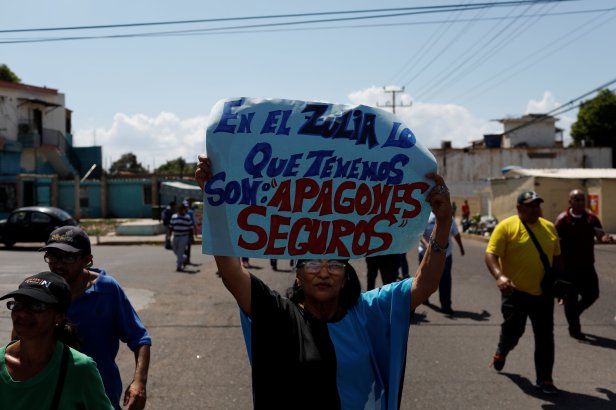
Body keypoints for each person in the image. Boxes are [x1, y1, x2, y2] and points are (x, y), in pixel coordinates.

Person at [196, 154, 452, 409]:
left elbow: (424, 284)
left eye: (334, 265)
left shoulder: (369, 312)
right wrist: (214, 200)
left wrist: (442, 222)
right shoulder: (280, 315)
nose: (324, 272)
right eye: (313, 264)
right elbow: (231, 273)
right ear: (297, 275)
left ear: (344, 278)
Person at [40, 226, 152, 410]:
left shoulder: (107, 290)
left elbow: (140, 338)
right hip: (51, 396)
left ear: (87, 260)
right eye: (52, 256)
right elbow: (18, 342)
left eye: (68, 257)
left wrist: (139, 382)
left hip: (100, 395)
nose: (58, 264)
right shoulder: (41, 290)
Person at [484, 191, 562, 395]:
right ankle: (502, 350)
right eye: (530, 205)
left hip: (543, 294)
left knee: (545, 336)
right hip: (514, 293)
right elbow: (490, 254)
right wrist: (499, 276)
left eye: (537, 204)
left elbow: (557, 259)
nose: (536, 208)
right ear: (519, 208)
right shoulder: (507, 227)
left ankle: (545, 379)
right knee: (514, 331)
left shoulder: (549, 228)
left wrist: (561, 286)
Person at [1, 271, 113, 409]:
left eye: (37, 306)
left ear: (59, 316)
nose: (23, 314)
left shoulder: (80, 369)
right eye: (18, 305)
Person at [555, 189, 612, 340]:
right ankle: (575, 329)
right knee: (571, 299)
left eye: (582, 199)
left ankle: (575, 313)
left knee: (593, 294)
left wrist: (605, 238)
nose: (580, 202)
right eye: (577, 199)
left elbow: (600, 234)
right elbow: (555, 243)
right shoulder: (562, 220)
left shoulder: (591, 218)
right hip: (568, 268)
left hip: (587, 266)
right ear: (570, 202)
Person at [418, 212, 465, 315]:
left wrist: (461, 247)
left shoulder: (448, 217)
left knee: (445, 280)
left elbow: (456, 233)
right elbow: (420, 234)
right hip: (426, 254)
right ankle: (423, 298)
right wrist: (427, 245)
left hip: (445, 255)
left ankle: (446, 306)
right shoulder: (426, 216)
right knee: (425, 278)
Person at [168, 201, 196, 272]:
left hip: (184, 237)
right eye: (180, 209)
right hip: (175, 236)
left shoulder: (187, 217)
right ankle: (184, 258)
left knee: (180, 251)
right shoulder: (174, 217)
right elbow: (171, 227)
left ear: (184, 209)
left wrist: (192, 237)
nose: (181, 210)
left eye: (182, 209)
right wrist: (169, 235)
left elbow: (190, 229)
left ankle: (179, 266)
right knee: (174, 250)